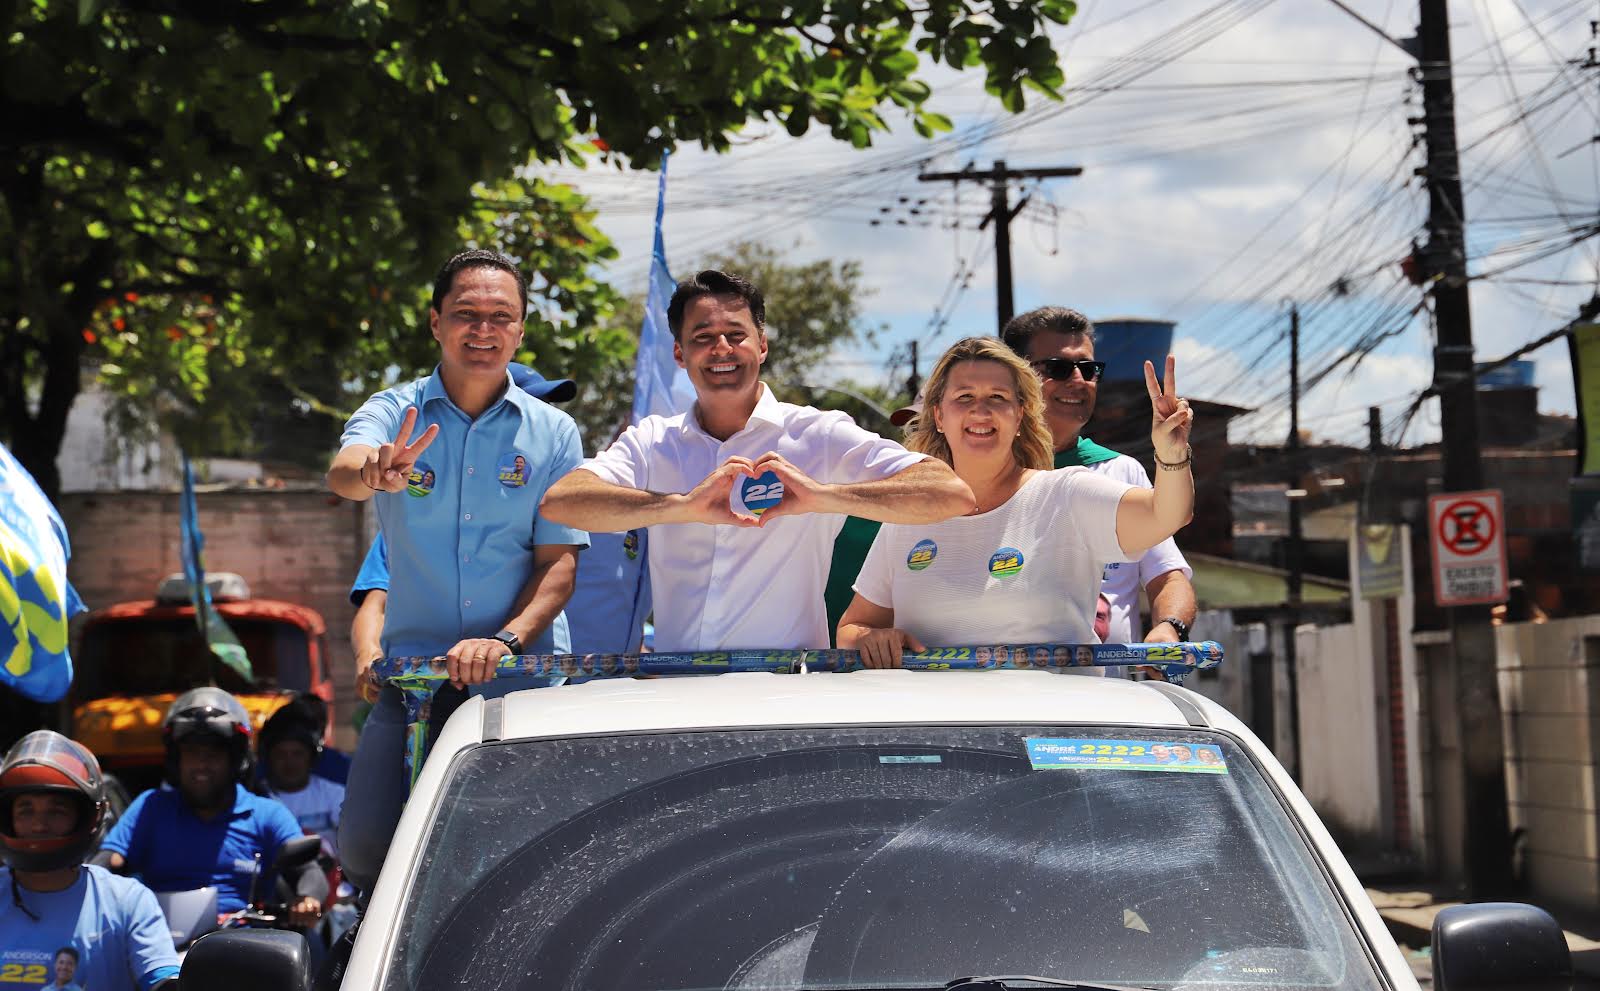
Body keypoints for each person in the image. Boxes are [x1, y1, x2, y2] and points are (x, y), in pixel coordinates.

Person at [326, 250, 589, 894]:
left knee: (522, 863)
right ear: (435, 322)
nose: (483, 330)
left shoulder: (554, 432)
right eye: (466, 314)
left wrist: (503, 642)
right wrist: (372, 472)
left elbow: (558, 565)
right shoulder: (396, 410)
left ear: (521, 331)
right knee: (365, 849)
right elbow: (345, 469)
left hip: (519, 679)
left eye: (501, 316)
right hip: (413, 678)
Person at [540, 269, 974, 652]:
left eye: (736, 334)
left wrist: (821, 497)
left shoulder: (818, 434)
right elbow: (562, 503)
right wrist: (682, 507)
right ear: (679, 354)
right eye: (703, 338)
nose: (722, 348)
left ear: (762, 345)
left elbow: (948, 493)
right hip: (676, 695)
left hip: (785, 698)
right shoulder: (653, 440)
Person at [838, 336, 1194, 669]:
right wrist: (872, 638)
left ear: (1020, 415)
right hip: (933, 730)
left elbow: (1167, 514)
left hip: (1049, 729)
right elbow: (853, 627)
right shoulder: (908, 516)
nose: (981, 411)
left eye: (997, 398)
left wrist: (1171, 454)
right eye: (964, 397)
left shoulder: (1068, 494)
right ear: (939, 416)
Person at [1002, 307, 1198, 658]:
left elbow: (1167, 576)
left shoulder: (1122, 471)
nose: (1078, 380)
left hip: (1108, 702)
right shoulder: (986, 473)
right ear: (1017, 377)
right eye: (1059, 369)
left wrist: (1170, 628)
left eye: (1090, 369)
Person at [98, 688, 327, 923]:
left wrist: (307, 899)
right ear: (177, 761)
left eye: (213, 754)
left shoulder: (267, 814)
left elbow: (308, 870)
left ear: (236, 761)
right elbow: (109, 860)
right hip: (159, 944)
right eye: (191, 754)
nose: (201, 765)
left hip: (246, 948)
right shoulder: (151, 807)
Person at [0, 731, 179, 991]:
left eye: (56, 810)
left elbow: (164, 980)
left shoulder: (126, 901)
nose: (39, 824)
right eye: (26, 810)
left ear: (87, 818)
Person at [257, 696, 345, 861]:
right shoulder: (257, 799)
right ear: (268, 758)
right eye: (281, 754)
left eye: (297, 754)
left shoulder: (334, 795)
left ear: (312, 757)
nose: (290, 762)